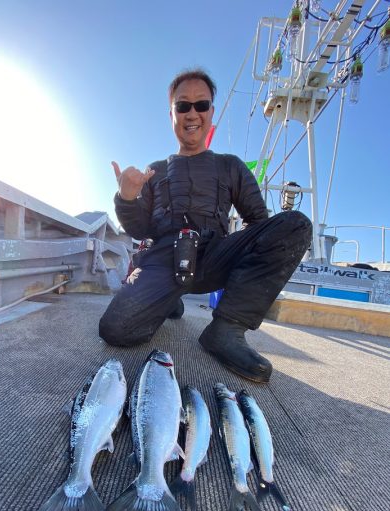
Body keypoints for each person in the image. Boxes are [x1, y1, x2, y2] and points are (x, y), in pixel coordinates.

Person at [99, 68, 312, 383]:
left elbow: (260, 224)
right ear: (172, 114)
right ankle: (168, 301)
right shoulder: (154, 171)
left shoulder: (231, 166)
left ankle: (226, 330)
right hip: (163, 262)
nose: (192, 113)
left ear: (212, 111)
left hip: (214, 256)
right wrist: (127, 197)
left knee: (295, 224)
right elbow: (140, 230)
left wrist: (239, 264)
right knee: (114, 329)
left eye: (201, 105)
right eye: (182, 106)